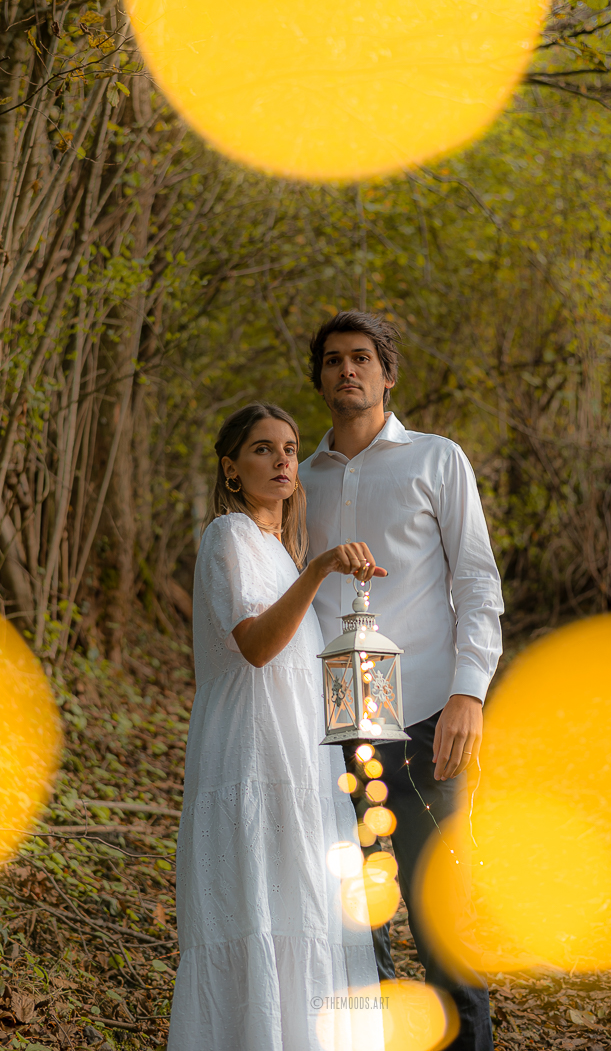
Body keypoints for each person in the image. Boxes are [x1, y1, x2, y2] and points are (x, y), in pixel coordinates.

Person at [298, 312, 504, 1051]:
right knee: (357, 927)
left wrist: (468, 694)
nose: (346, 371)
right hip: (328, 728)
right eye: (332, 361)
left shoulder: (436, 460)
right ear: (318, 378)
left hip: (423, 719)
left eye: (361, 359)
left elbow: (477, 583)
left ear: (388, 373)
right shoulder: (299, 476)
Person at [168, 401, 386, 1051]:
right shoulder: (228, 537)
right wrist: (321, 568)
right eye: (263, 449)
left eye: (289, 448)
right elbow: (257, 645)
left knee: (305, 915)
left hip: (301, 764)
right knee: (257, 911)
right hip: (250, 760)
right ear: (232, 469)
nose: (283, 459)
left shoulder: (279, 556)